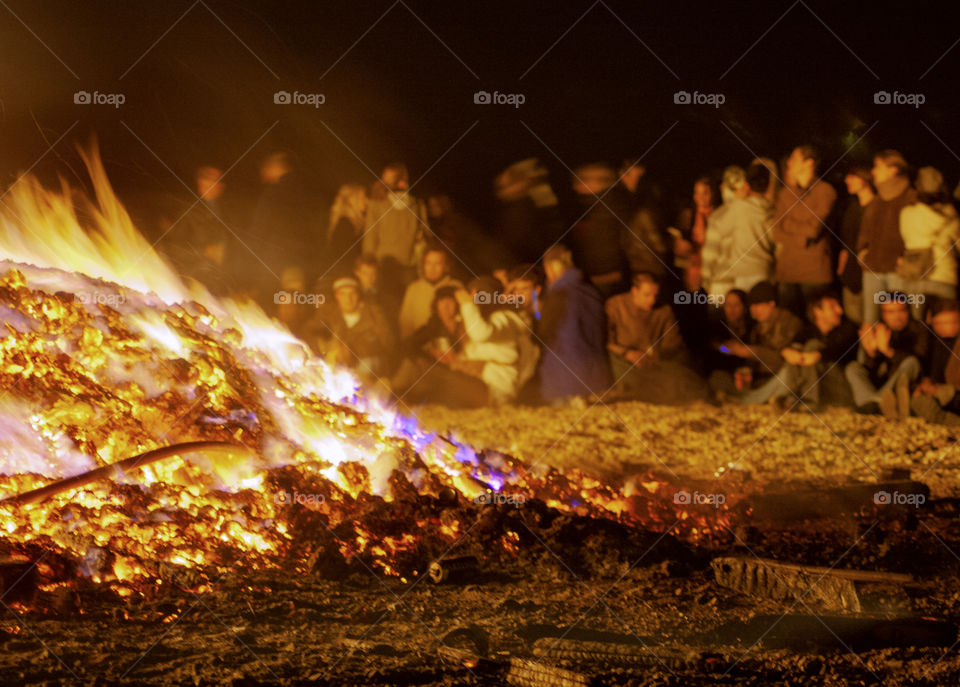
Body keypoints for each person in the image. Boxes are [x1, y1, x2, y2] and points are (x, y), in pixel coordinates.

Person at [740, 293, 858, 410]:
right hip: (818, 389)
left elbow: (836, 350)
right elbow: (791, 348)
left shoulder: (847, 329)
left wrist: (818, 355)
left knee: (812, 346)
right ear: (817, 311)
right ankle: (795, 399)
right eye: (833, 307)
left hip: (840, 390)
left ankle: (807, 401)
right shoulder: (806, 332)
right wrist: (787, 352)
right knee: (795, 350)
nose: (840, 310)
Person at [605, 273, 708, 404]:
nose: (652, 300)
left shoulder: (663, 310)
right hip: (623, 360)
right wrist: (627, 353)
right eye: (647, 295)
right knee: (614, 361)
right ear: (634, 291)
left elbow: (673, 345)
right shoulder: (615, 305)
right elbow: (607, 341)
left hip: (651, 363)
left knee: (681, 366)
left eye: (655, 295)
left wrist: (653, 357)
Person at [390, 286, 487, 408]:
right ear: (436, 305)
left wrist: (459, 360)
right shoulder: (432, 328)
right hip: (439, 373)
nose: (446, 307)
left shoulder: (467, 325)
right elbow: (408, 346)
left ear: (457, 304)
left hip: (465, 374)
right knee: (409, 365)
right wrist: (430, 354)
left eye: (450, 302)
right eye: (442, 302)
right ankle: (393, 396)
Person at [539, 245, 611, 404]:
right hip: (591, 371)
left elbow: (544, 330)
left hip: (563, 371)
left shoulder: (559, 293)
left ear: (551, 266)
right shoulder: (591, 290)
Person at [771, 145, 838, 318]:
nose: (789, 162)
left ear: (809, 163)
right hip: (787, 272)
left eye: (795, 158)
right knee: (788, 325)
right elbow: (775, 231)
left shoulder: (825, 191)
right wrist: (801, 235)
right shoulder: (785, 194)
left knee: (818, 324)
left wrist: (788, 225)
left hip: (814, 273)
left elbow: (813, 230)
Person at [451, 276, 540, 405]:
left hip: (498, 388)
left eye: (475, 295)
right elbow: (478, 349)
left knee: (442, 380)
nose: (472, 299)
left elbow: (481, 334)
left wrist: (467, 305)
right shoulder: (488, 319)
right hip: (483, 383)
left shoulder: (505, 319)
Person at [709, 281, 803, 399]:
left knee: (787, 375)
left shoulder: (788, 323)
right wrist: (747, 373)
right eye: (752, 305)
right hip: (762, 381)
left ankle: (749, 399)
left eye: (759, 304)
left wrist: (746, 351)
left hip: (781, 377)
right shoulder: (756, 327)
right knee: (717, 377)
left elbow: (782, 359)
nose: (755, 309)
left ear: (771, 304)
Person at [844, 295, 927, 419]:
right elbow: (870, 370)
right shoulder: (880, 329)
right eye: (890, 312)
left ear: (908, 311)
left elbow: (919, 361)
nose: (896, 316)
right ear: (883, 314)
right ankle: (871, 403)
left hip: (905, 384)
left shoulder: (920, 329)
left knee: (912, 362)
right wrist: (872, 353)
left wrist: (888, 351)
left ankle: (876, 403)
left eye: (901, 310)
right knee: (853, 367)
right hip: (882, 384)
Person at [248, 151, 315, 303]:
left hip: (273, 262)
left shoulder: (272, 194)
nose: (263, 173)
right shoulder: (308, 194)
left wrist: (249, 260)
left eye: (266, 168)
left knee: (268, 307)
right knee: (294, 307)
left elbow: (258, 231)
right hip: (301, 263)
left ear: (276, 168)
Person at [858, 150, 916, 323]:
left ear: (893, 170)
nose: (873, 172)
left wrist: (907, 260)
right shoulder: (876, 201)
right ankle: (869, 350)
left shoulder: (912, 197)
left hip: (899, 272)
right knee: (870, 322)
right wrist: (862, 254)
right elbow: (864, 233)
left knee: (899, 322)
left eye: (877, 167)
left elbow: (920, 234)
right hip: (872, 269)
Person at [703, 163, 776, 296]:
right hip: (764, 269)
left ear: (746, 185)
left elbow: (720, 230)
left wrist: (705, 279)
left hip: (740, 274)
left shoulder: (737, 208)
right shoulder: (772, 209)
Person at [302, 276, 395, 380]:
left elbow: (389, 344)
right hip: (336, 366)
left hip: (369, 371)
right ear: (337, 296)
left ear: (358, 295)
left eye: (352, 293)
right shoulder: (328, 313)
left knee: (367, 364)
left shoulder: (374, 314)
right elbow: (308, 333)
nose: (348, 299)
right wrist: (326, 346)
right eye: (343, 294)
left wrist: (353, 351)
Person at [896, 166, 959, 319]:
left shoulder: (907, 214)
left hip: (914, 277)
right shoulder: (953, 217)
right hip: (944, 277)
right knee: (947, 328)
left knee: (919, 329)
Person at [163, 165, 233, 295]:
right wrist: (205, 251)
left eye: (219, 180)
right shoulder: (188, 210)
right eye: (210, 179)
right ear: (201, 182)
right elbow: (175, 249)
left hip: (219, 284)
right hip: (196, 283)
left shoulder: (226, 210)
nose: (217, 184)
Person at [362, 163, 428, 296]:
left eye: (388, 179)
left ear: (402, 180)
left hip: (403, 265)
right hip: (387, 265)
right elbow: (371, 235)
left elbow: (424, 234)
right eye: (383, 178)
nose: (383, 182)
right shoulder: (378, 203)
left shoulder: (416, 205)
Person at [568, 164, 631, 299]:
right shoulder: (591, 206)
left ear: (596, 183)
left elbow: (600, 243)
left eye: (581, 181)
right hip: (599, 275)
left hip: (605, 276)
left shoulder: (604, 208)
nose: (575, 187)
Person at [911, 299, 960, 425]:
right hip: (939, 396)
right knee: (919, 400)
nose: (947, 327)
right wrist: (926, 386)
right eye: (941, 323)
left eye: (952, 322)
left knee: (945, 395)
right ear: (933, 323)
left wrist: (939, 390)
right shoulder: (932, 343)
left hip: (955, 396)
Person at [701, 165, 747, 298]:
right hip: (746, 280)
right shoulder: (754, 212)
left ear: (723, 187)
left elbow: (710, 252)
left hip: (721, 283)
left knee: (718, 318)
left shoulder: (718, 216)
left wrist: (706, 280)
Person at [397, 246, 463, 338]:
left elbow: (463, 321)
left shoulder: (455, 287)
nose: (432, 268)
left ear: (446, 266)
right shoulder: (414, 288)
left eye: (438, 264)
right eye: (428, 263)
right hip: (419, 344)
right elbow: (405, 323)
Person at [837, 166, 874, 324]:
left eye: (852, 176)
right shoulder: (852, 208)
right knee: (853, 320)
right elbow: (846, 242)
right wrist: (841, 269)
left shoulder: (878, 207)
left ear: (864, 178)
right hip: (850, 273)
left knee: (871, 320)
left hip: (870, 274)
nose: (847, 180)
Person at [326, 184, 368, 277]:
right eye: (362, 197)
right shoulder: (344, 224)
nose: (366, 201)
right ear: (351, 201)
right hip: (346, 274)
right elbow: (344, 256)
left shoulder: (356, 224)